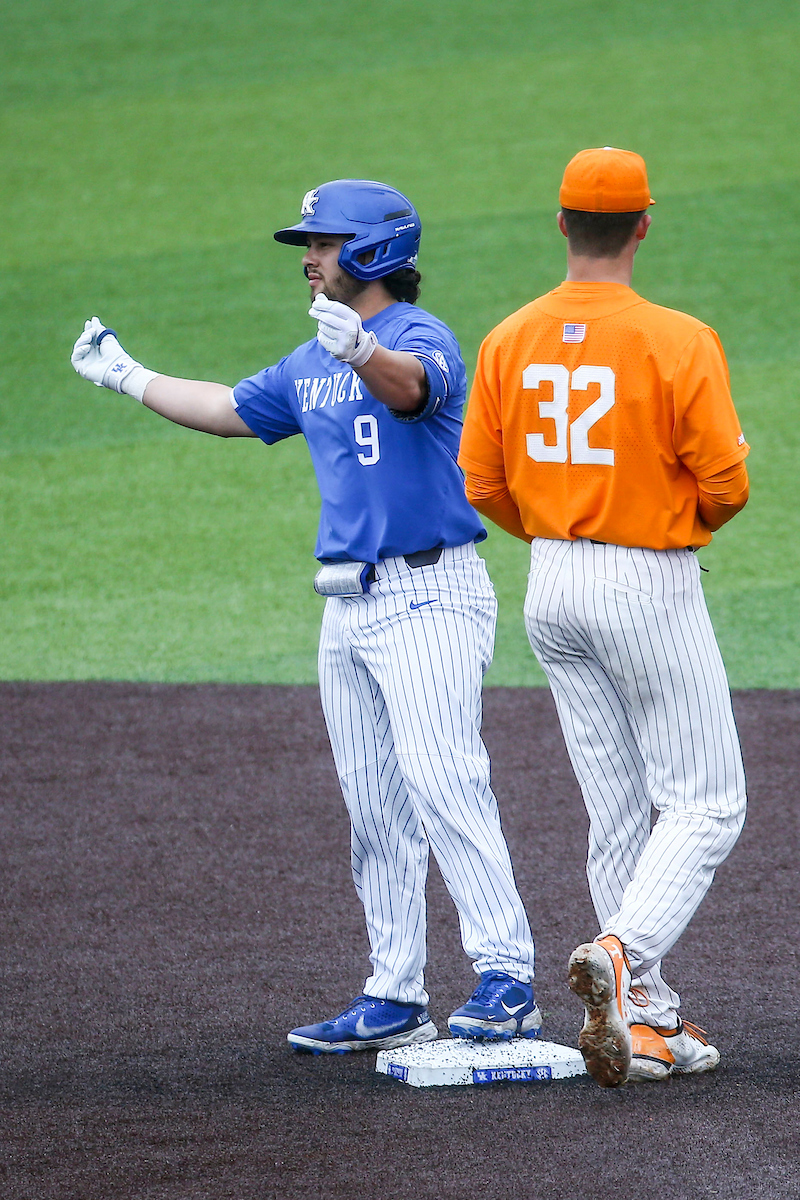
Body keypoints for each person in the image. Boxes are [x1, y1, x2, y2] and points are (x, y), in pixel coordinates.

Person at [71, 178, 540, 1054]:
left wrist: (362, 349)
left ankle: (507, 976)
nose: (309, 260)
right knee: (374, 808)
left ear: (372, 250)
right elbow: (225, 413)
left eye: (321, 244)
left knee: (444, 782)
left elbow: (410, 392)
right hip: (348, 608)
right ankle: (395, 991)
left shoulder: (414, 336)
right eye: (308, 247)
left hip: (430, 594)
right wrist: (127, 376)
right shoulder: (309, 361)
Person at [458, 148, 749, 1087]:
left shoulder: (508, 338)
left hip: (551, 583)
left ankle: (648, 1017)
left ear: (561, 225)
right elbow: (727, 485)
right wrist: (667, 531)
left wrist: (553, 533)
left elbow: (482, 484)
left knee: (619, 805)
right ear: (644, 226)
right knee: (707, 802)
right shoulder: (677, 337)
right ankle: (622, 956)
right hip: (646, 581)